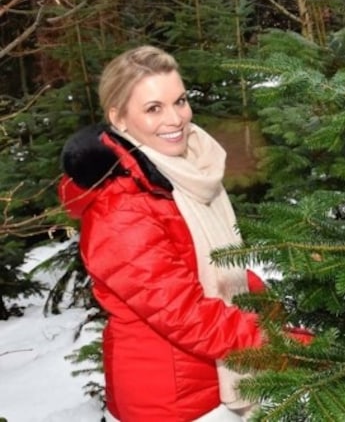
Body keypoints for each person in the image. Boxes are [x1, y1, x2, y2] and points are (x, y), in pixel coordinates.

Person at [58, 45, 266, 421]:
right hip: (174, 402)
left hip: (211, 386)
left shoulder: (185, 172)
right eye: (153, 108)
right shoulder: (121, 208)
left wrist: (270, 301)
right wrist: (288, 343)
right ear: (119, 118)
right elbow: (186, 315)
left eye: (180, 101)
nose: (176, 119)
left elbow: (213, 267)